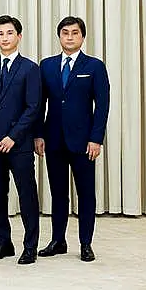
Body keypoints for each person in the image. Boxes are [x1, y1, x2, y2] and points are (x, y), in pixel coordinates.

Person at [35, 17, 110, 262]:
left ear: (82, 37)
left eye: (74, 33)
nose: (69, 37)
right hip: (53, 139)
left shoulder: (94, 66)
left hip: (84, 142)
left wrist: (96, 138)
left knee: (86, 193)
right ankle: (58, 240)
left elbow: (102, 106)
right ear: (59, 36)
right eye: (65, 33)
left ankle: (86, 243)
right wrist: (38, 134)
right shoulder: (46, 66)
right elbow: (39, 105)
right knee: (58, 193)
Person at [0, 15, 41, 265]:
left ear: (19, 37)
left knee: (26, 195)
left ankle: (30, 246)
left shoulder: (30, 68)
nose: (5, 38)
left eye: (9, 33)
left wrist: (13, 136)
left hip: (19, 145)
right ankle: (3, 242)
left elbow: (33, 107)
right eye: (0, 34)